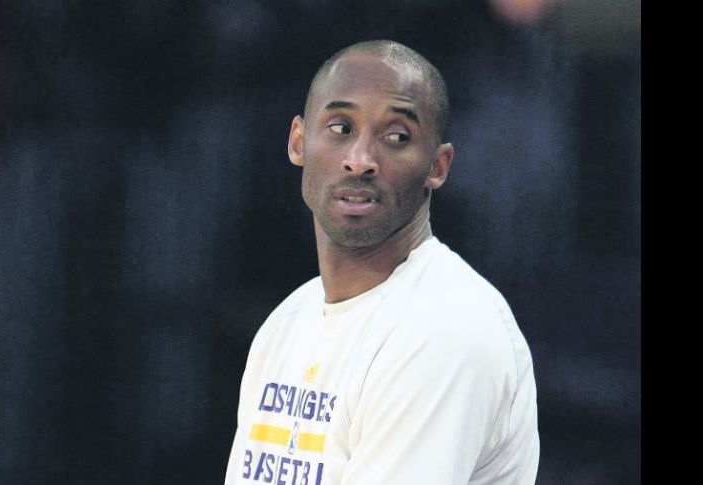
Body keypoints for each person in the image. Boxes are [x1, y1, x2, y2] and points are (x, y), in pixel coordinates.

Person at [225, 40, 539, 485]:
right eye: (339, 128)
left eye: (396, 137)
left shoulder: (446, 329)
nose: (360, 161)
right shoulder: (286, 325)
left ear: (438, 165)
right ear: (298, 142)